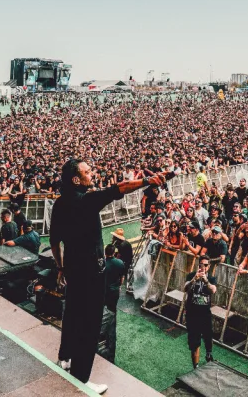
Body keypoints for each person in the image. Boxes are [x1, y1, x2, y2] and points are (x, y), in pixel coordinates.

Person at [50, 158, 168, 394]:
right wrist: (147, 180)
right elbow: (120, 188)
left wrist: (61, 268)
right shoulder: (87, 201)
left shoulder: (60, 204)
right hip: (92, 274)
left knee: (72, 314)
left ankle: (65, 358)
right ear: (76, 179)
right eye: (87, 172)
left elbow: (54, 241)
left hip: (72, 269)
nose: (92, 174)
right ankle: (81, 377)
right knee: (90, 325)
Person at [184, 256, 218, 369]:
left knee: (208, 336)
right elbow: (185, 288)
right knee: (194, 341)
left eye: (206, 265)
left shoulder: (211, 278)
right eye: (201, 264)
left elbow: (213, 290)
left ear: (209, 266)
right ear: (198, 265)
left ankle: (209, 353)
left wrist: (206, 281)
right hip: (192, 313)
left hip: (205, 313)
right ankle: (196, 367)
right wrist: (194, 279)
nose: (203, 267)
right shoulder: (192, 275)